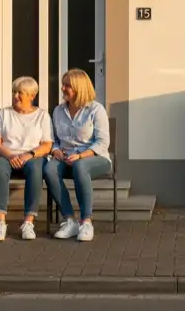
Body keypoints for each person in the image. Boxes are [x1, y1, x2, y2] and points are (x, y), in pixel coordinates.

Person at [43, 68, 111, 242]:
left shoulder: (96, 110)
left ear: (79, 88)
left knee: (81, 167)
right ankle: (70, 220)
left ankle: (86, 222)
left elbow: (103, 143)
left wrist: (81, 157)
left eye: (67, 86)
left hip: (95, 158)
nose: (62, 89)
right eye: (62, 85)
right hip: (66, 159)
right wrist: (56, 150)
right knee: (49, 169)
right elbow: (55, 139)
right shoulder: (58, 111)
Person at [0, 76, 53, 241]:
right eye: (14, 92)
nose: (15, 96)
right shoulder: (4, 114)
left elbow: (47, 145)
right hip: (7, 155)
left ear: (32, 96)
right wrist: (10, 155)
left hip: (32, 156)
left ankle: (28, 222)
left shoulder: (42, 116)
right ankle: (0, 223)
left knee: (36, 168)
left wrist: (28, 155)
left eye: (20, 93)